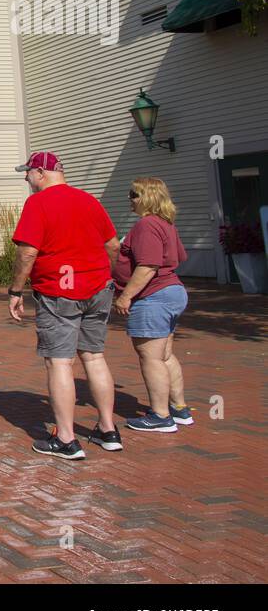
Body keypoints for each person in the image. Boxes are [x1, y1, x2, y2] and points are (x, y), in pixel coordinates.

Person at [8, 152, 122, 459]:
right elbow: (113, 245)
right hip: (97, 288)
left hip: (59, 292)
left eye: (28, 172)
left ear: (41, 172)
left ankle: (67, 439)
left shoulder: (38, 203)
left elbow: (28, 252)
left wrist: (16, 290)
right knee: (94, 357)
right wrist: (107, 276)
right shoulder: (89, 200)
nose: (26, 178)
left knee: (59, 362)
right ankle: (108, 429)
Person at [112, 177, 193, 432]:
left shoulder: (146, 225)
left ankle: (160, 415)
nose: (130, 199)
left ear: (146, 197)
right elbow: (177, 257)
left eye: (134, 194)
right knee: (165, 354)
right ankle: (179, 408)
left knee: (151, 357)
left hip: (153, 297)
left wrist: (126, 296)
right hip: (172, 292)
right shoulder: (165, 224)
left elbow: (148, 265)